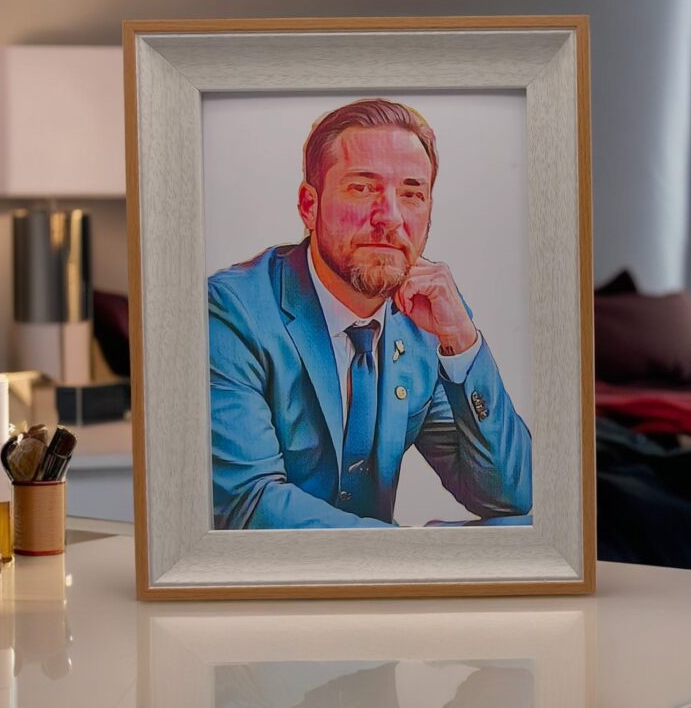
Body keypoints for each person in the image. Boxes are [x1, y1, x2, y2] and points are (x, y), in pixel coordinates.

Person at [208, 98, 532, 529]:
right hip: (272, 570)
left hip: (379, 566)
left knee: (521, 531)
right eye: (362, 188)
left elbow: (511, 495)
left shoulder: (425, 319)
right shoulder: (233, 309)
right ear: (309, 205)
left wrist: (462, 340)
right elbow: (247, 504)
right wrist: (412, 553)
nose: (391, 218)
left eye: (412, 194)